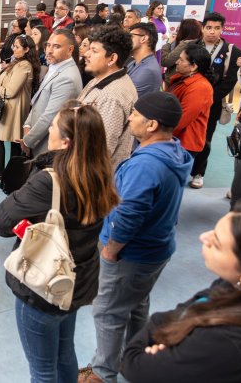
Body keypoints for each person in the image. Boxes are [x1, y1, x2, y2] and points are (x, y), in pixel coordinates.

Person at [0, 101, 120, 383]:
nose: (48, 128)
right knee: (65, 352)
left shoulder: (49, 181)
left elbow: (1, 221)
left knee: (41, 369)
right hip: (76, 280)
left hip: (43, 285)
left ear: (65, 142)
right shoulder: (101, 174)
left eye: (53, 126)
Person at [80, 91, 194, 383]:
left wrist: (111, 249)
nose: (130, 117)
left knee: (107, 311)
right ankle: (132, 357)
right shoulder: (174, 152)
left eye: (135, 114)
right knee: (135, 304)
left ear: (152, 124)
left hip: (132, 253)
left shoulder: (145, 165)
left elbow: (129, 213)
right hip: (157, 249)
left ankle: (103, 373)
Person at [120, 199, 241, 383]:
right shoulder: (235, 285)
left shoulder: (227, 343)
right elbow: (189, 306)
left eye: (217, 242)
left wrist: (164, 337)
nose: (203, 236)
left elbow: (134, 364)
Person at [189, 12, 241, 188]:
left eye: (217, 28)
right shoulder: (191, 46)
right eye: (209, 28)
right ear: (203, 28)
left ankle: (198, 172)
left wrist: (208, 98)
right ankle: (179, 167)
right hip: (189, 100)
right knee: (183, 134)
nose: (212, 32)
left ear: (222, 29)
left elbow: (230, 81)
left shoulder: (232, 52)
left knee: (205, 138)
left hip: (211, 103)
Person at [0, 35, 40, 185]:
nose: (14, 49)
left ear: (27, 49)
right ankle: (2, 172)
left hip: (14, 108)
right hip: (9, 107)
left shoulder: (24, 66)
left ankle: (8, 174)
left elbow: (11, 91)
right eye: (13, 46)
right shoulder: (18, 64)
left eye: (17, 47)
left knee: (13, 142)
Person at [78, 26, 138, 168]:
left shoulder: (112, 96)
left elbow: (100, 150)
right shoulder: (99, 79)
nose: (87, 54)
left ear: (112, 58)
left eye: (94, 51)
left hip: (92, 178)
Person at [21, 29, 83, 157]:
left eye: (56, 46)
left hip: (48, 146)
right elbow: (38, 100)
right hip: (39, 140)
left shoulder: (67, 78)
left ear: (70, 50)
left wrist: (28, 141)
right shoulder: (55, 67)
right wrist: (27, 124)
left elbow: (50, 116)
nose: (49, 50)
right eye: (48, 45)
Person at [168, 45, 214, 166]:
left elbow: (182, 119)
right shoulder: (183, 79)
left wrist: (158, 135)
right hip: (174, 140)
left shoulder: (200, 87)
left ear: (193, 66)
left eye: (182, 60)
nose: (177, 62)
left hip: (183, 144)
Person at [160, 18, 202, 86]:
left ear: (185, 31)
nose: (177, 31)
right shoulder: (198, 41)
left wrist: (168, 43)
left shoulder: (185, 44)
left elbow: (165, 61)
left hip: (176, 81)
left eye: (179, 29)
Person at [127, 22, 163, 97]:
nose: (127, 40)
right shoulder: (134, 62)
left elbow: (125, 100)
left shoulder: (148, 70)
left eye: (130, 36)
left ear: (144, 39)